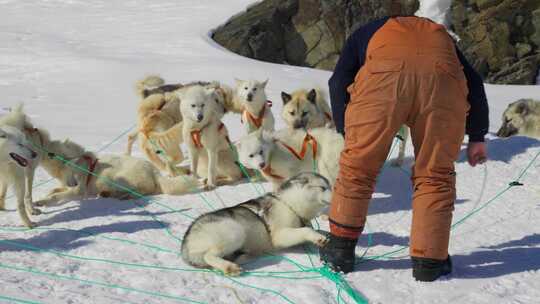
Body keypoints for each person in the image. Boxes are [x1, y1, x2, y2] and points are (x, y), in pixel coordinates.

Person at [319, 15, 489, 282]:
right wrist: (477, 135)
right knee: (435, 175)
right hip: (442, 82)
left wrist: (345, 130)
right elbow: (474, 82)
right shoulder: (440, 37)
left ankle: (340, 250)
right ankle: (429, 263)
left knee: (359, 166)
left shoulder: (365, 32)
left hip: (384, 81)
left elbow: (338, 81)